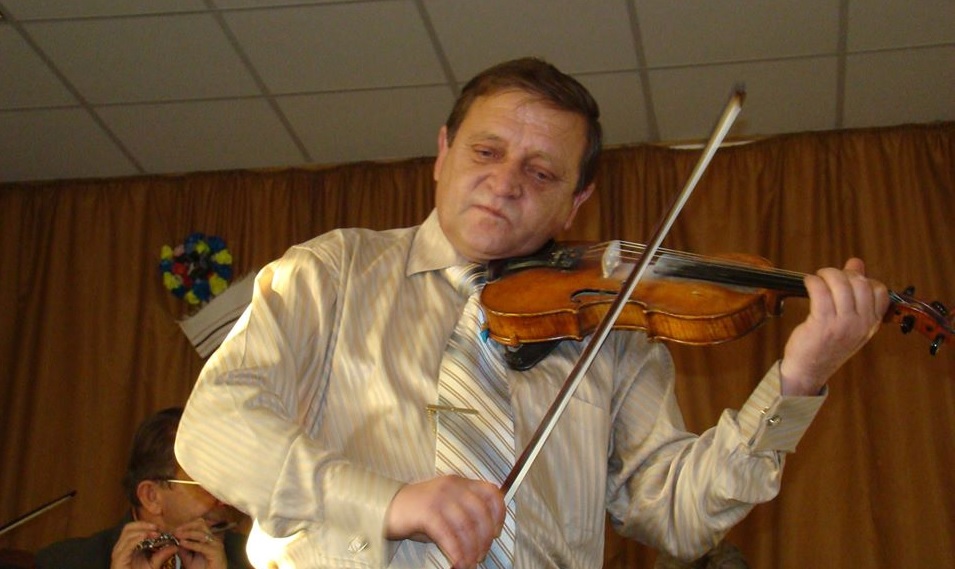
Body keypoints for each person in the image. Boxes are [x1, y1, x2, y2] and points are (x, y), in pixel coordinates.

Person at [174, 57, 889, 568]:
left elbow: (675, 511)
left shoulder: (610, 328)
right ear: (443, 151)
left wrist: (797, 381)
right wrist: (387, 501)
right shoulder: (330, 271)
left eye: (541, 172)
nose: (505, 181)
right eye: (486, 150)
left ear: (575, 203)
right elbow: (214, 427)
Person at [36, 407, 253, 569]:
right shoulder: (63, 562)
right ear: (151, 496)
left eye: (226, 485)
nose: (224, 500)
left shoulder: (257, 561)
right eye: (206, 486)